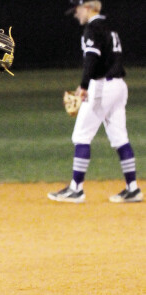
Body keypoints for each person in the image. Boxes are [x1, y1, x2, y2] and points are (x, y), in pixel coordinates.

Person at [48, 0, 142, 204]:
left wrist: (83, 86)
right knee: (120, 137)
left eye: (77, 9)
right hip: (119, 86)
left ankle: (76, 189)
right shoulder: (110, 26)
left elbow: (91, 59)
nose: (75, 14)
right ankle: (132, 188)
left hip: (102, 86)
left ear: (89, 8)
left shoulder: (93, 28)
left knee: (81, 135)